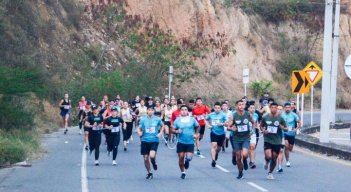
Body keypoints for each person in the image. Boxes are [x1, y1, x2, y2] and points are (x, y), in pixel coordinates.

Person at [260, 102, 288, 180]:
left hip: (277, 141)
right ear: (270, 108)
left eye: (275, 107)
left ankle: (270, 173)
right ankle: (266, 161)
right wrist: (263, 130)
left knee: (274, 158)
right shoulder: (265, 117)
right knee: (268, 156)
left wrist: (281, 127)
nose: (273, 109)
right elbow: (261, 126)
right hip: (268, 139)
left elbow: (287, 128)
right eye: (272, 107)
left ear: (277, 109)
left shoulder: (280, 118)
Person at [172, 105, 200, 179]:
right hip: (181, 142)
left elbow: (198, 126)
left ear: (187, 111)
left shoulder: (192, 119)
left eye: (185, 109)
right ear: (180, 111)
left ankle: (187, 161)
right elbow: (172, 130)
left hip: (190, 142)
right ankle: (183, 172)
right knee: (181, 157)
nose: (184, 111)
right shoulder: (177, 120)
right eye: (182, 110)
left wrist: (196, 134)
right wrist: (177, 131)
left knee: (188, 158)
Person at [228, 100, 254, 179]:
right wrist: (232, 128)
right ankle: (240, 171)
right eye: (239, 105)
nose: (241, 106)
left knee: (245, 154)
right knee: (238, 157)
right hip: (236, 138)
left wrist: (252, 130)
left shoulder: (248, 114)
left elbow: (253, 122)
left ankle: (245, 160)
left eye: (243, 104)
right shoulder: (234, 115)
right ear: (236, 106)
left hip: (246, 137)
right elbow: (228, 126)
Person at [137, 107, 164, 179]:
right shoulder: (143, 119)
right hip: (145, 140)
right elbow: (139, 128)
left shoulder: (157, 119)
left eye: (151, 110)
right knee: (145, 158)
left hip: (154, 140)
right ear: (147, 111)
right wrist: (139, 132)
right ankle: (149, 172)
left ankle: (154, 163)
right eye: (149, 110)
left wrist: (160, 133)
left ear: (153, 111)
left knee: (152, 156)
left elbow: (162, 126)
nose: (150, 111)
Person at [206, 102, 227, 168]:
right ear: (214, 108)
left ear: (220, 108)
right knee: (213, 145)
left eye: (218, 108)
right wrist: (208, 125)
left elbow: (227, 122)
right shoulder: (211, 114)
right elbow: (205, 119)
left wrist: (222, 124)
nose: (217, 109)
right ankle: (213, 160)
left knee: (218, 148)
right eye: (216, 108)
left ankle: (216, 153)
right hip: (213, 132)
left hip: (221, 133)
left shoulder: (223, 115)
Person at [281, 102, 300, 168]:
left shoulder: (294, 115)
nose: (287, 109)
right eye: (286, 107)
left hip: (291, 133)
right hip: (284, 133)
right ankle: (287, 161)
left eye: (288, 107)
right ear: (284, 108)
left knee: (290, 148)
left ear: (290, 108)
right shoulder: (281, 115)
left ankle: (287, 156)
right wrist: (282, 128)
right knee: (286, 146)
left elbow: (299, 122)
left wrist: (296, 129)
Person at [248, 103, 259, 169]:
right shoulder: (245, 114)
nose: (252, 109)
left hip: (253, 133)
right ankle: (250, 159)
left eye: (253, 108)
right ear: (248, 109)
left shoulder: (256, 115)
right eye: (251, 108)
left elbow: (256, 123)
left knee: (253, 146)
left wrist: (258, 127)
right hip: (245, 134)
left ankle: (252, 161)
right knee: (249, 147)